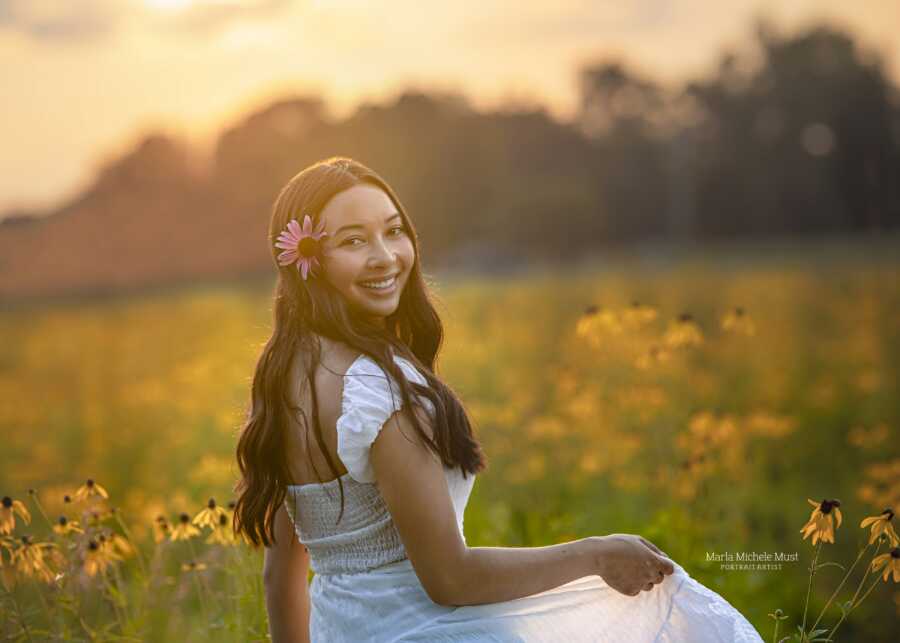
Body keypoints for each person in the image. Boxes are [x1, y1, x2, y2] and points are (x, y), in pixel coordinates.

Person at [233, 156, 764, 642]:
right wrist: (596, 553)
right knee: (682, 616)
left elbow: (282, 579)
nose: (385, 257)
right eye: (353, 241)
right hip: (431, 632)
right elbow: (449, 578)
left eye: (394, 231)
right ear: (307, 259)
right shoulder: (379, 390)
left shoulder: (282, 377)